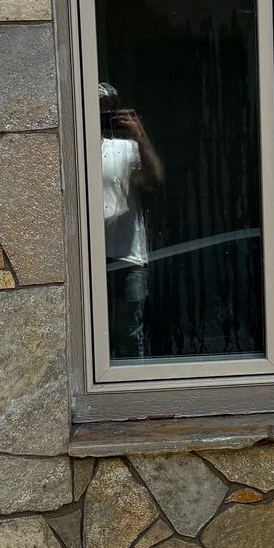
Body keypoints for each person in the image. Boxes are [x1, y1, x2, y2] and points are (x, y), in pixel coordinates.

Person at [97, 83, 163, 360]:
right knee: (93, 340)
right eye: (100, 109)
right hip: (88, 261)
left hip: (127, 258)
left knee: (128, 335)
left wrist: (141, 136)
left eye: (112, 108)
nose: (107, 114)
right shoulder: (76, 150)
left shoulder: (125, 148)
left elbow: (155, 180)